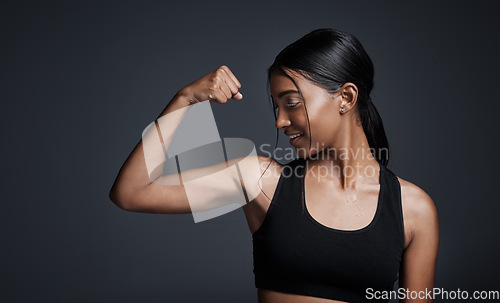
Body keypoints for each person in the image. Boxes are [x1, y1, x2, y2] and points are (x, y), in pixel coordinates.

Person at [109, 28, 439, 303]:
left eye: (292, 103)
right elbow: (132, 192)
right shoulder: (262, 180)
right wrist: (186, 100)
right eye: (276, 106)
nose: (281, 121)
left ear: (347, 98)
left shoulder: (413, 209)